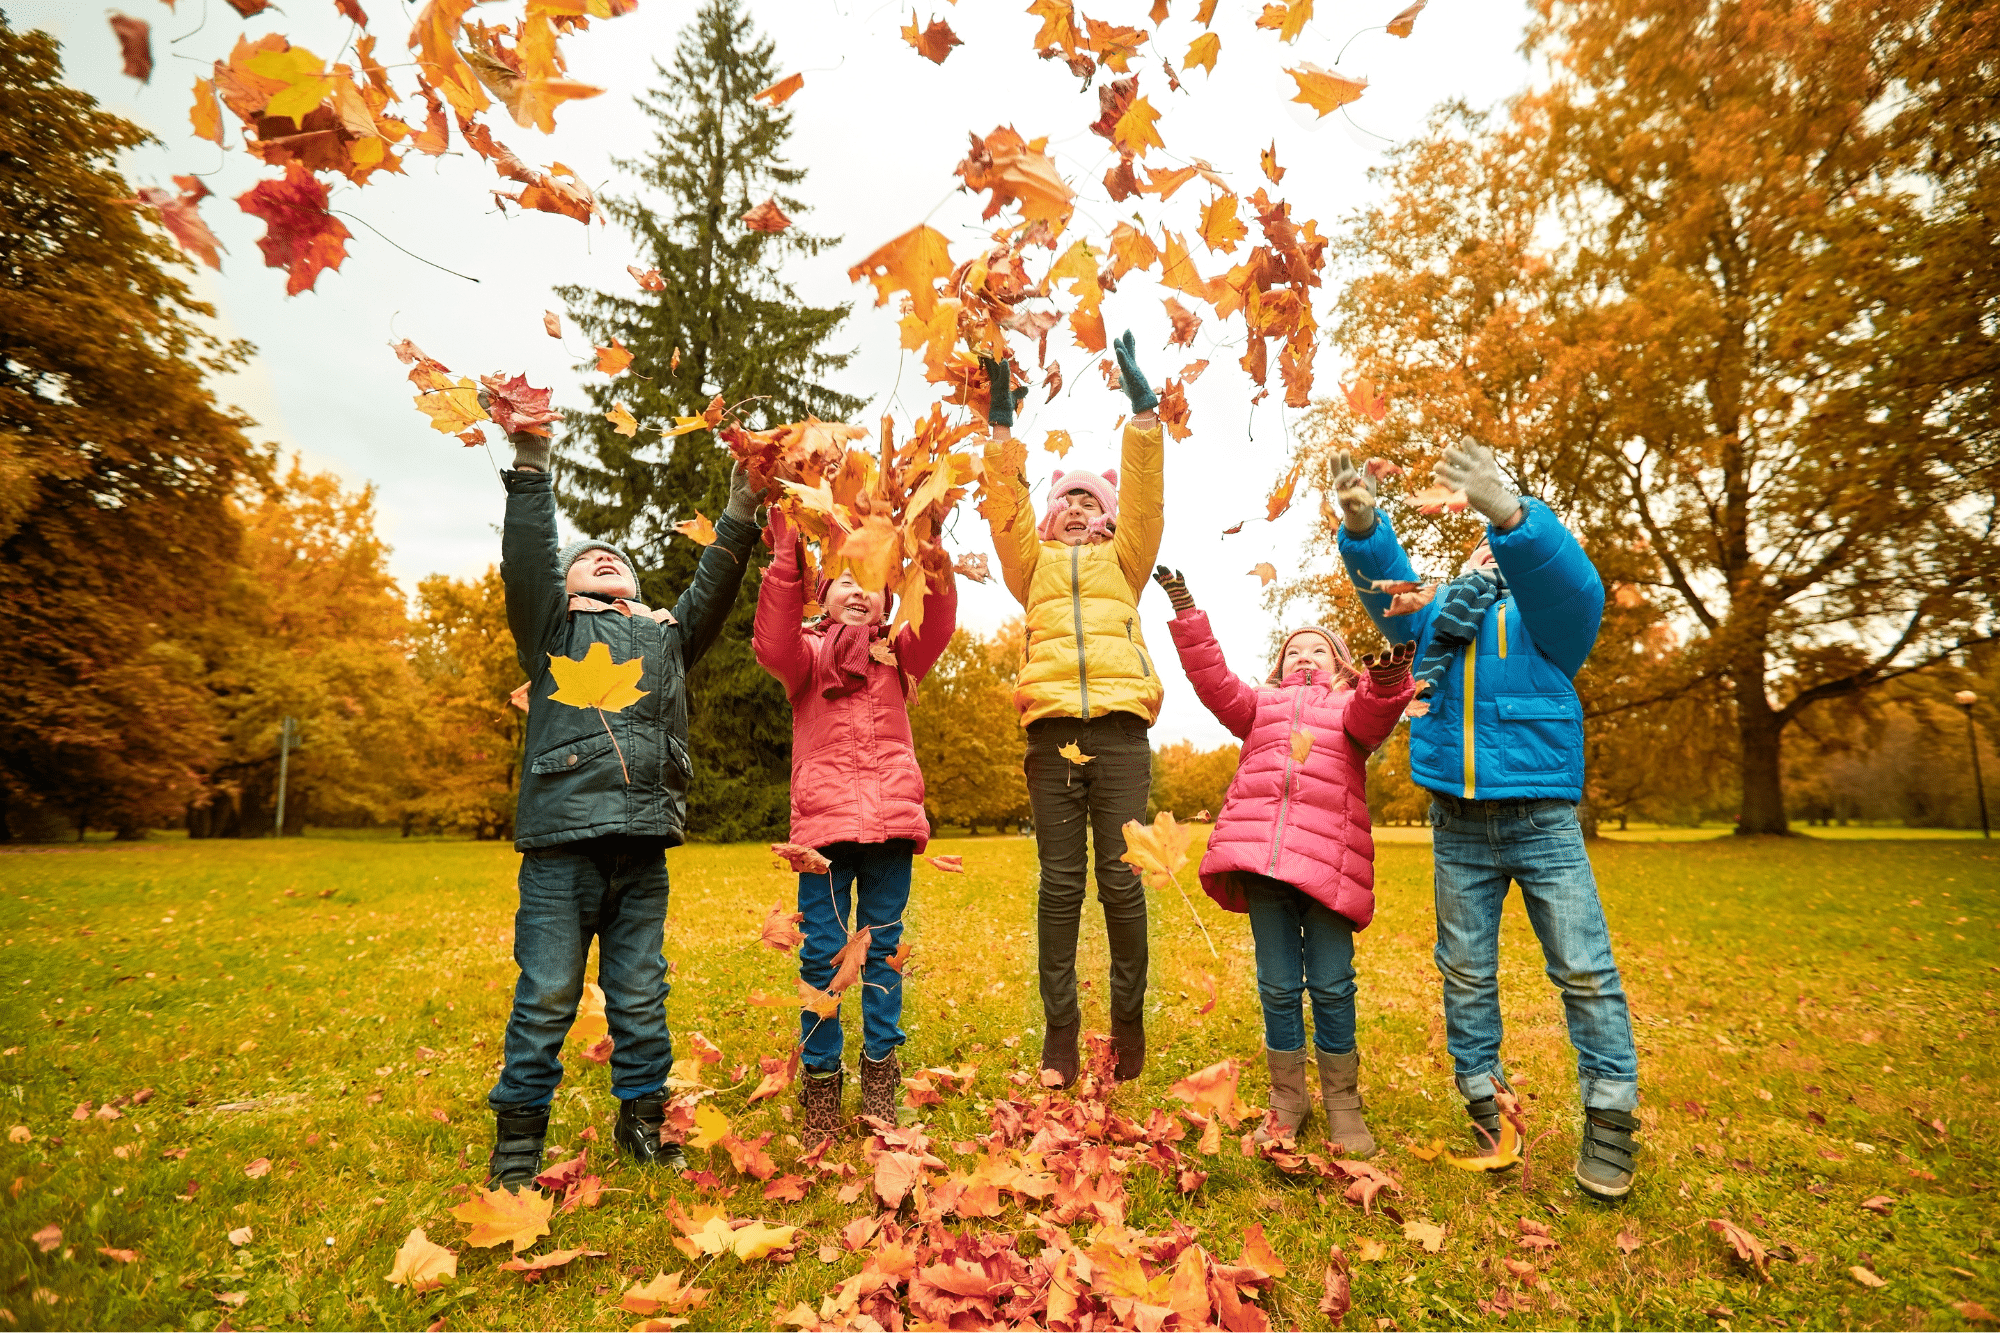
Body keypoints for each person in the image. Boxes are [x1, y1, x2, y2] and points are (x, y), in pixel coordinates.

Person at [1333, 439, 1642, 1201]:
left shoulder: (1551, 621)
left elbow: (1571, 582)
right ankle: (1487, 1108)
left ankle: (1609, 1121)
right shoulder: (1436, 616)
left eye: (1497, 537)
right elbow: (1387, 593)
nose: (1485, 547)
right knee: (1466, 973)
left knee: (1584, 969)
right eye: (1479, 538)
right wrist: (1366, 527)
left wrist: (1511, 514)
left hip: (1542, 820)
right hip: (1458, 824)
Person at [485, 412, 760, 1191]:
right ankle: (518, 1143)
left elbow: (711, 591)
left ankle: (644, 1121)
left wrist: (739, 514)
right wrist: (533, 464)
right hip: (560, 849)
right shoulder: (552, 632)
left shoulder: (665, 639)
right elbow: (530, 560)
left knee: (641, 994)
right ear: (565, 588)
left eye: (616, 558)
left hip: (640, 850)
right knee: (546, 996)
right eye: (586, 558)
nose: (602, 556)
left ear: (637, 587)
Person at [1155, 568, 1414, 1154]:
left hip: (1327, 868)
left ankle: (1344, 1104)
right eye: (1293, 649)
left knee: (1331, 984)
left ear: (1341, 665)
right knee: (1277, 986)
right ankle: (1287, 1099)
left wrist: (1388, 679)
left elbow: (1376, 713)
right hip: (1265, 865)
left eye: (1317, 649)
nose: (1303, 655)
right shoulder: (1260, 707)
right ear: (1277, 667)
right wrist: (1187, 611)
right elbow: (1214, 681)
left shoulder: (1349, 707)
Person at [978, 330, 1164, 1087]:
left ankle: (1126, 1022)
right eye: (1069, 499)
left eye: (1093, 499)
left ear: (1108, 513)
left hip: (1120, 730)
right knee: (1061, 883)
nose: (1081, 507)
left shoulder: (1128, 559)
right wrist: (1001, 433)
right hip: (1052, 731)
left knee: (1121, 880)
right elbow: (1005, 515)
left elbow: (1146, 502)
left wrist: (1144, 415)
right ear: (1052, 517)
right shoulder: (1033, 565)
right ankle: (1061, 1030)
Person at [752, 507, 958, 1138]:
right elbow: (772, 639)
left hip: (892, 828)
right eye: (845, 580)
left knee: (884, 950)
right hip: (823, 834)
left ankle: (879, 1080)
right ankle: (820, 1086)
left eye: (872, 583)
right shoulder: (806, 659)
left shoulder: (898, 654)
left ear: (889, 599)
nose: (860, 591)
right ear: (823, 596)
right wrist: (788, 550)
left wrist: (930, 545)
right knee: (822, 954)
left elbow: (939, 621)